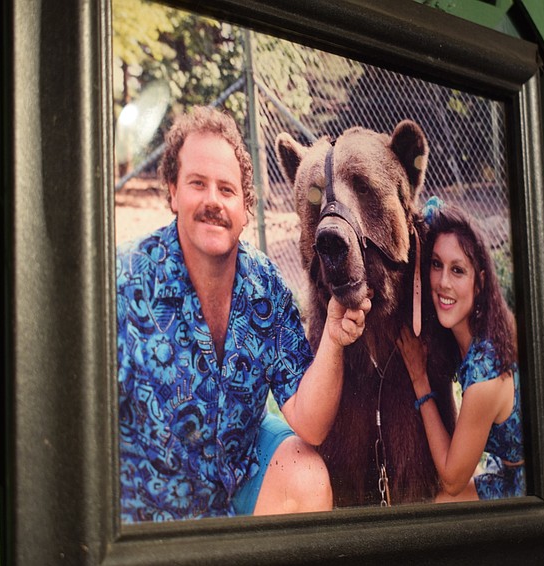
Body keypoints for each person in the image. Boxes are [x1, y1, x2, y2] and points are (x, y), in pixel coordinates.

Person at [117, 106, 370, 522]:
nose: (213, 201)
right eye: (197, 184)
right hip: (151, 506)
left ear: (245, 208)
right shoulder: (127, 282)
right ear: (172, 191)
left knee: (305, 474)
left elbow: (310, 423)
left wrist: (332, 338)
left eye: (227, 189)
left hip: (237, 475)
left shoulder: (262, 286)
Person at [397, 196, 523, 502]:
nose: (443, 282)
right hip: (509, 464)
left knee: (442, 501)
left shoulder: (485, 375)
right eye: (437, 265)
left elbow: (452, 481)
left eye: (458, 271)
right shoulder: (491, 327)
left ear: (479, 283)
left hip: (525, 485)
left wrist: (419, 380)